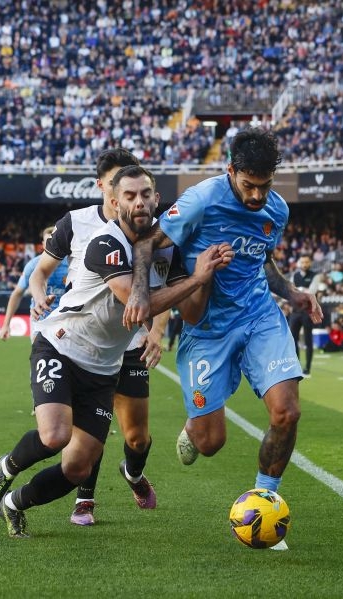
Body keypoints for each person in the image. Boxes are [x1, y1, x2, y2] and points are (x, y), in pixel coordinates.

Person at [0, 165, 233, 538]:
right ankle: (6, 467)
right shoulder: (105, 243)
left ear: (157, 200)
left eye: (146, 194)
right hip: (61, 346)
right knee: (54, 436)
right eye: (129, 196)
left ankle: (14, 503)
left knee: (79, 467)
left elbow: (190, 310)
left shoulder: (169, 249)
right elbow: (138, 303)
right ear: (115, 202)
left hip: (104, 368)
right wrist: (196, 278)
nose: (139, 201)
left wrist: (206, 271)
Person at [123, 128, 322, 551]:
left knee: (286, 412)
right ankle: (195, 428)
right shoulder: (203, 199)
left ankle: (264, 498)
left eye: (264, 186)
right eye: (248, 186)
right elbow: (146, 244)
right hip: (207, 328)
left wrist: (293, 294)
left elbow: (262, 260)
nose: (256, 196)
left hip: (259, 315)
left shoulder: (277, 210)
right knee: (211, 443)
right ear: (231, 171)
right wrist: (142, 295)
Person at [26, 149, 170, 526]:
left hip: (132, 344)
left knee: (137, 437)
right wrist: (39, 294)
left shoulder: (155, 231)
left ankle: (133, 473)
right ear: (104, 187)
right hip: (86, 341)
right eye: (117, 185)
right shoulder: (77, 223)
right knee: (92, 427)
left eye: (139, 189)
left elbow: (165, 282)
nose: (130, 195)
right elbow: (39, 272)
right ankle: (85, 499)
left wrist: (155, 331)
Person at [0, 226, 69, 344]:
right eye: (48, 242)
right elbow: (17, 294)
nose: (51, 245)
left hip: (65, 320)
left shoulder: (71, 264)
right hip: (40, 319)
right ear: (42, 244)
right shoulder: (33, 265)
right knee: (40, 357)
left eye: (53, 241)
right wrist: (6, 324)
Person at [288, 255, 316, 375]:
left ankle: (307, 368)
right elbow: (290, 290)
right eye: (303, 262)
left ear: (310, 263)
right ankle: (296, 366)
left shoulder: (315, 275)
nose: (305, 264)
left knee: (308, 340)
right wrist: (302, 290)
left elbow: (311, 292)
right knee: (292, 340)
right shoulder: (294, 275)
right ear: (299, 263)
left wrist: (299, 290)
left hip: (308, 312)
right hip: (295, 311)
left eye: (307, 262)